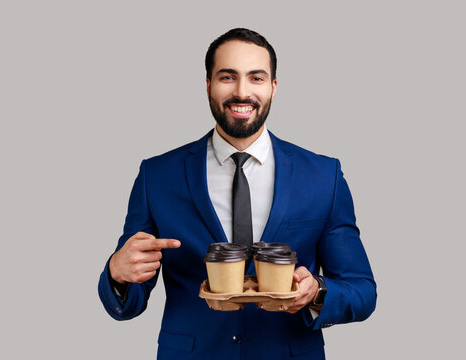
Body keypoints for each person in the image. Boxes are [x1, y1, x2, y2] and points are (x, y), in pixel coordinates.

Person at [98, 28, 376, 360]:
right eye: (227, 77)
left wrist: (317, 293)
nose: (241, 92)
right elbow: (128, 301)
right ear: (207, 85)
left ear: (274, 88)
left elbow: (362, 290)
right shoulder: (156, 176)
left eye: (256, 78)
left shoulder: (322, 176)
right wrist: (117, 272)